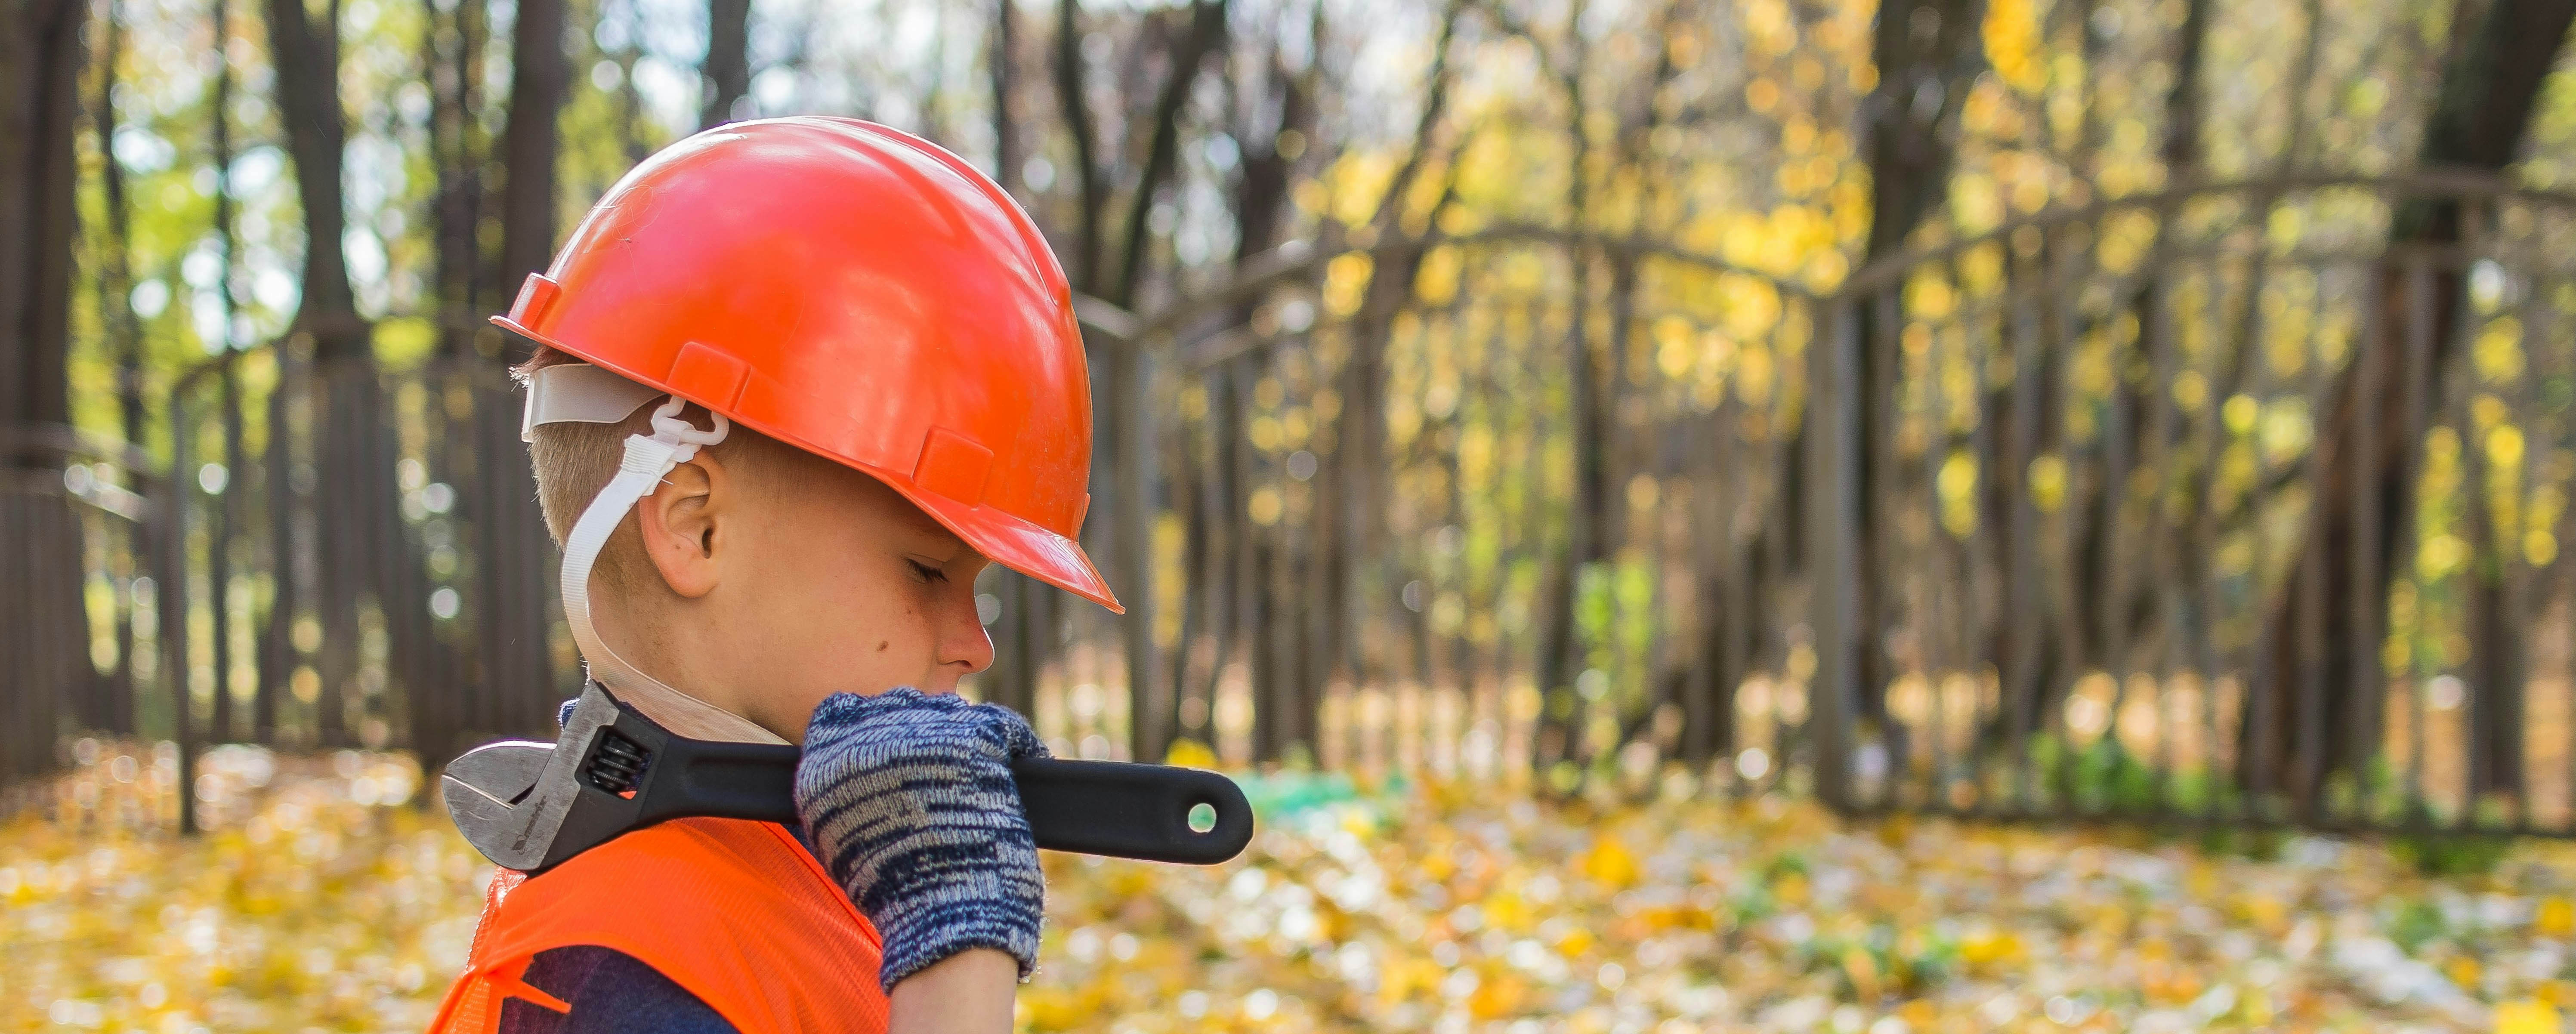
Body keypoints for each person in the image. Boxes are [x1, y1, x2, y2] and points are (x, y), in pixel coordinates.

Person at [423, 115, 1123, 1034]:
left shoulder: (787, 867)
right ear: (697, 528)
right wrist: (955, 958)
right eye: (926, 570)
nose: (974, 643)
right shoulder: (624, 981)